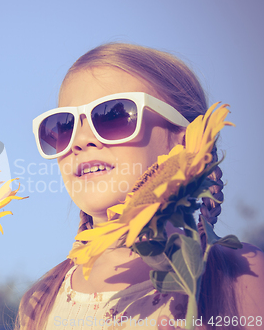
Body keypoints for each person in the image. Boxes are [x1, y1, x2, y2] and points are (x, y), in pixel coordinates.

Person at [14, 43, 264, 330]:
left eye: (112, 116)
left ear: (184, 140)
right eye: (63, 127)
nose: (81, 140)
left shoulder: (240, 276)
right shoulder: (39, 302)